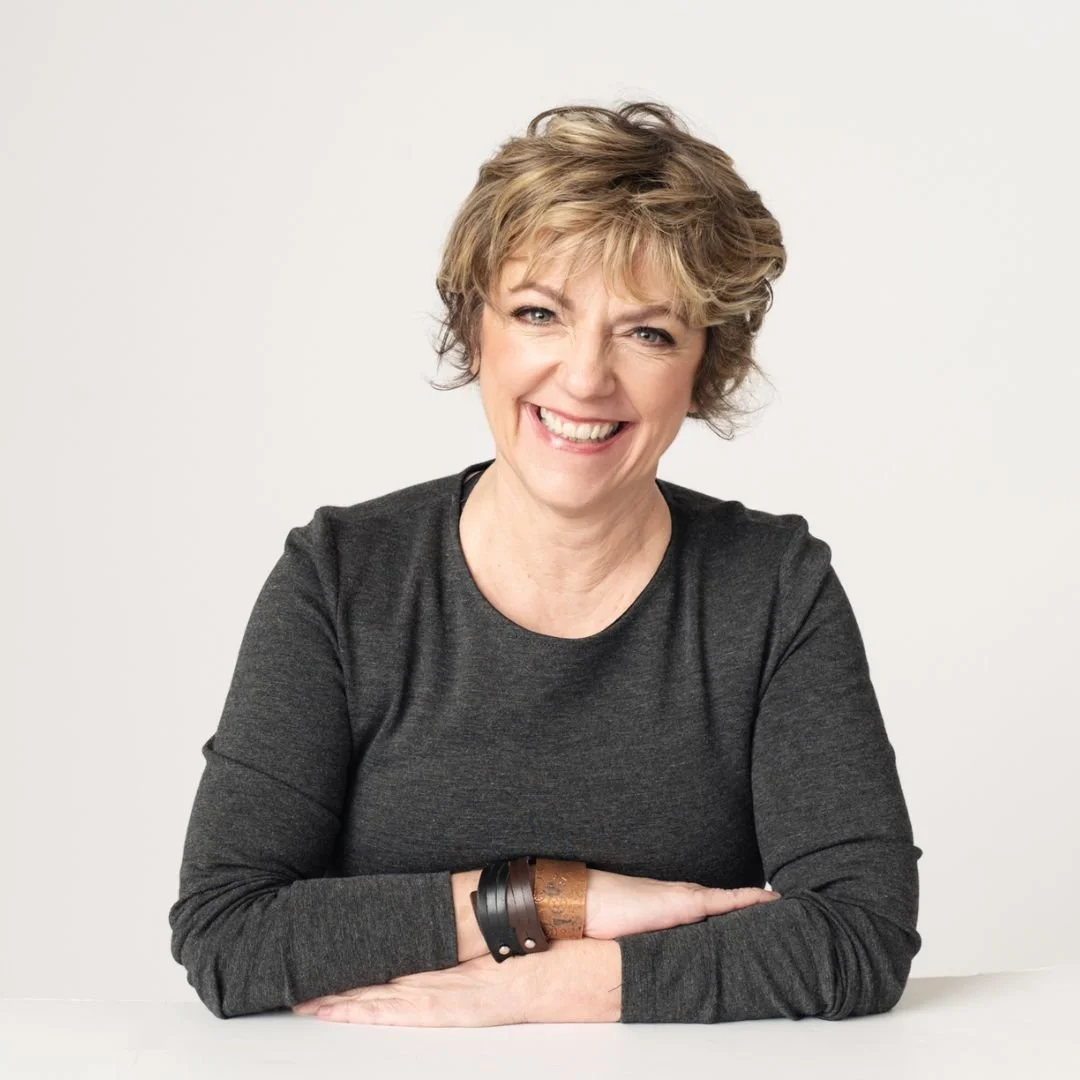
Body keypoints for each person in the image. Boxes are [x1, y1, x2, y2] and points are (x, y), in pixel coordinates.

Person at [168, 101, 922, 1026]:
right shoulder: (340, 581)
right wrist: (554, 898)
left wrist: (554, 986)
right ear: (475, 331)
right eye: (539, 314)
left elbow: (861, 933)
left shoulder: (774, 589)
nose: (584, 377)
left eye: (647, 332)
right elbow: (226, 934)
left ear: (702, 367)